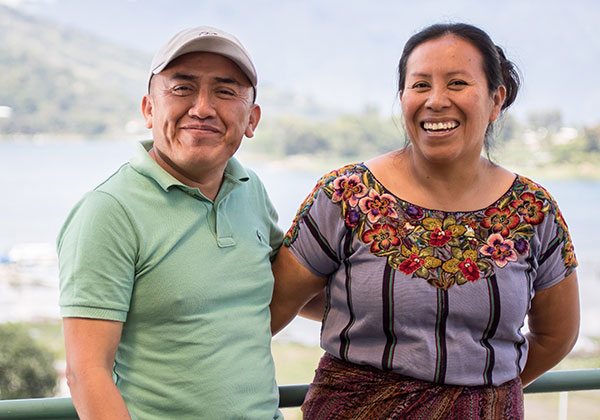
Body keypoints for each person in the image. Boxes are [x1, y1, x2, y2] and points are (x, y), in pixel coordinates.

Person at [270, 22, 580, 419]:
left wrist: (478, 397)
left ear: (495, 99)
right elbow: (272, 309)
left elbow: (556, 335)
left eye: (457, 83)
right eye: (419, 85)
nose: (436, 100)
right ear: (402, 97)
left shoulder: (533, 211)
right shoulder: (345, 195)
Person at [58, 26, 283, 419]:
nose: (201, 108)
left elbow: (299, 282)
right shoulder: (109, 210)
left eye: (225, 91)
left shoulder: (250, 191)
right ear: (148, 109)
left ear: (252, 118)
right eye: (182, 89)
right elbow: (86, 372)